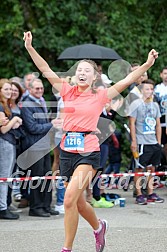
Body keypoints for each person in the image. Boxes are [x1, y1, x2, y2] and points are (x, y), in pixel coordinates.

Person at [23, 31, 158, 252]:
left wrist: (146, 64)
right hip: (67, 150)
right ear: (75, 75)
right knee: (77, 202)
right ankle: (98, 227)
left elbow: (127, 80)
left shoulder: (100, 95)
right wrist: (30, 47)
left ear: (95, 77)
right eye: (79, 70)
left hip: (88, 150)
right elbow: (45, 69)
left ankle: (66, 249)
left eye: (87, 71)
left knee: (68, 200)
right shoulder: (66, 91)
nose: (82, 73)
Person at [19, 78, 60, 217]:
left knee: (47, 176)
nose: (40, 90)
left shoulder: (41, 101)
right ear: (29, 89)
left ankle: (46, 206)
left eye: (41, 88)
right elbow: (32, 128)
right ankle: (36, 208)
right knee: (36, 179)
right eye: (36, 88)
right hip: (33, 146)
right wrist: (52, 124)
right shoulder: (26, 105)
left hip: (44, 145)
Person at [129, 79, 164, 205]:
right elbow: (132, 123)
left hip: (153, 142)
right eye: (147, 89)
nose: (149, 91)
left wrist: (158, 142)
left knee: (152, 168)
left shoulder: (155, 105)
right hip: (141, 142)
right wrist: (134, 141)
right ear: (141, 90)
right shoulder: (136, 105)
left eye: (151, 89)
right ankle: (139, 194)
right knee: (139, 169)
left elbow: (158, 125)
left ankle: (150, 193)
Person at [0, 79, 22, 219]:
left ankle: (4, 206)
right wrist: (15, 120)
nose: (9, 92)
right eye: (6, 89)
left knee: (6, 176)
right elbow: (4, 129)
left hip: (9, 142)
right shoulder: (1, 107)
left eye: (10, 89)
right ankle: (2, 208)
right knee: (4, 176)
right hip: (4, 143)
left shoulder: (5, 105)